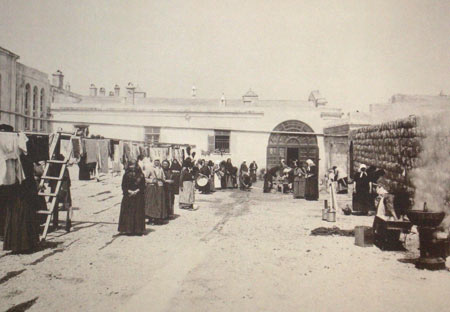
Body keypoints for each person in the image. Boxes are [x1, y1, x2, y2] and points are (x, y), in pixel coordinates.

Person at [118, 160, 146, 235]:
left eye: (134, 165)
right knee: (128, 213)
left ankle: (138, 230)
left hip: (138, 196)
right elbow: (123, 186)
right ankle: (128, 230)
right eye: (131, 165)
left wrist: (137, 191)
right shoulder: (126, 175)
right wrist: (129, 191)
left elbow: (143, 185)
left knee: (138, 213)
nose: (132, 167)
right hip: (128, 196)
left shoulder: (141, 175)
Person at [144, 159, 168, 224]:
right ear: (154, 162)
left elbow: (164, 177)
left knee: (159, 203)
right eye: (155, 161)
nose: (157, 163)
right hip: (152, 187)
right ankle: (150, 218)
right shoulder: (150, 169)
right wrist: (151, 181)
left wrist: (162, 180)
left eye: (158, 161)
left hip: (160, 187)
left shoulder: (161, 169)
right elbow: (145, 178)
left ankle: (158, 218)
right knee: (152, 203)